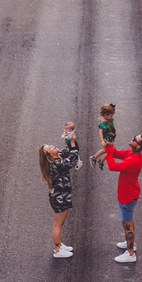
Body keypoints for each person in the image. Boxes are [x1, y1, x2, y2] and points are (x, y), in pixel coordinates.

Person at [105, 133, 142, 263]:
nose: (132, 139)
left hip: (127, 196)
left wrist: (108, 150)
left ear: (138, 146)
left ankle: (130, 253)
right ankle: (130, 243)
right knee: (128, 222)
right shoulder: (131, 153)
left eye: (134, 139)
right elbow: (116, 153)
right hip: (128, 194)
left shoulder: (133, 160)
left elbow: (112, 166)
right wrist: (109, 146)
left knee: (127, 225)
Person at [38, 122, 80, 258]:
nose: (52, 146)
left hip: (63, 196)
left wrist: (69, 137)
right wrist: (72, 144)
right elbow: (72, 159)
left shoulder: (59, 156)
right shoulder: (55, 165)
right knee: (58, 224)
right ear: (49, 155)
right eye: (49, 148)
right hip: (59, 197)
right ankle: (57, 250)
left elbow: (70, 150)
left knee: (60, 223)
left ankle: (60, 245)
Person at [88, 103, 116, 170]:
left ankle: (95, 158)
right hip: (107, 139)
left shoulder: (108, 119)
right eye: (110, 115)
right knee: (110, 151)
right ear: (105, 115)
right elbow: (100, 132)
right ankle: (100, 161)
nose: (111, 117)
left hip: (110, 137)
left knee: (105, 150)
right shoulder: (102, 124)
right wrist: (102, 141)